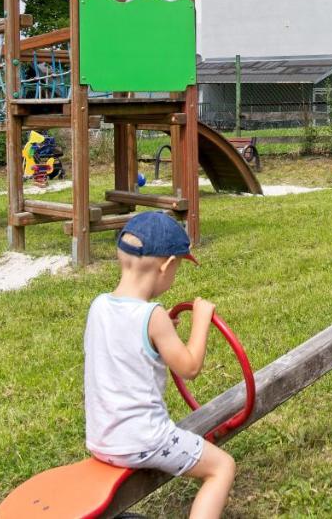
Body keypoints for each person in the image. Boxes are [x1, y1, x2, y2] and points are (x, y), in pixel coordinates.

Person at [84, 211, 236, 518]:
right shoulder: (152, 316)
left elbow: (124, 342)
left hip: (102, 440)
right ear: (165, 266)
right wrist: (201, 321)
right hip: (143, 440)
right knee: (222, 467)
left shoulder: (99, 305)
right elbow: (189, 368)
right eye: (177, 268)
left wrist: (160, 332)